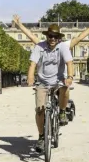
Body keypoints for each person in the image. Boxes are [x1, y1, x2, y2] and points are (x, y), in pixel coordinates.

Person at [26, 24, 74, 153]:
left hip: (58, 80)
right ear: (47, 36)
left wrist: (69, 76)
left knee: (66, 88)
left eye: (55, 36)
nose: (52, 38)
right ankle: (42, 136)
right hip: (42, 82)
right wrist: (30, 77)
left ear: (59, 38)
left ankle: (62, 112)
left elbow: (69, 63)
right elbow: (32, 64)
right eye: (50, 36)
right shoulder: (39, 47)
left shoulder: (63, 47)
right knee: (39, 110)